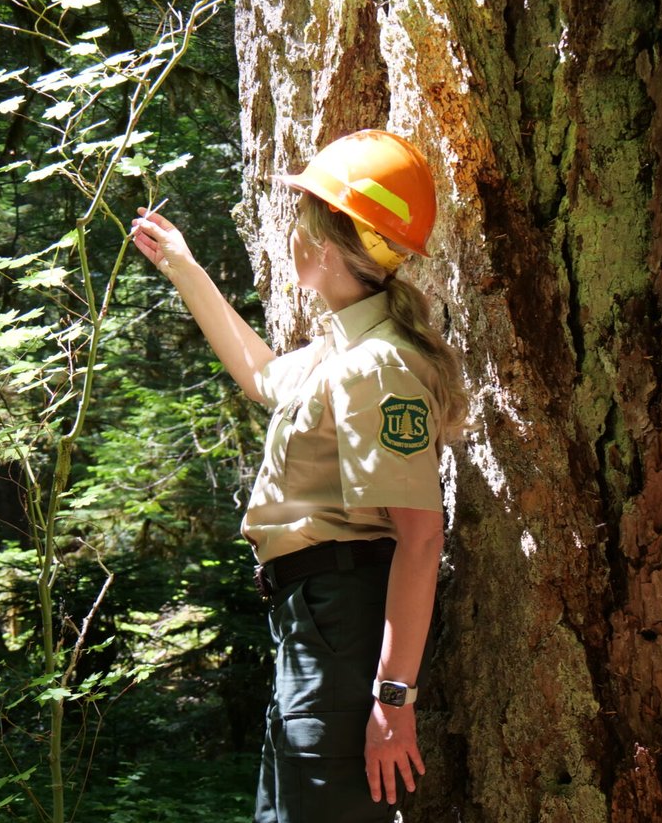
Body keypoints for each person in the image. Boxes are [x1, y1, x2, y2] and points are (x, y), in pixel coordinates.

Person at [131, 129, 466, 822]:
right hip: (313, 625)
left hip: (341, 625)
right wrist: (185, 268)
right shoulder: (340, 350)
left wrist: (392, 700)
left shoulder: (376, 364)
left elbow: (422, 537)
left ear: (327, 242)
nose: (290, 232)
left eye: (301, 217)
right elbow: (259, 374)